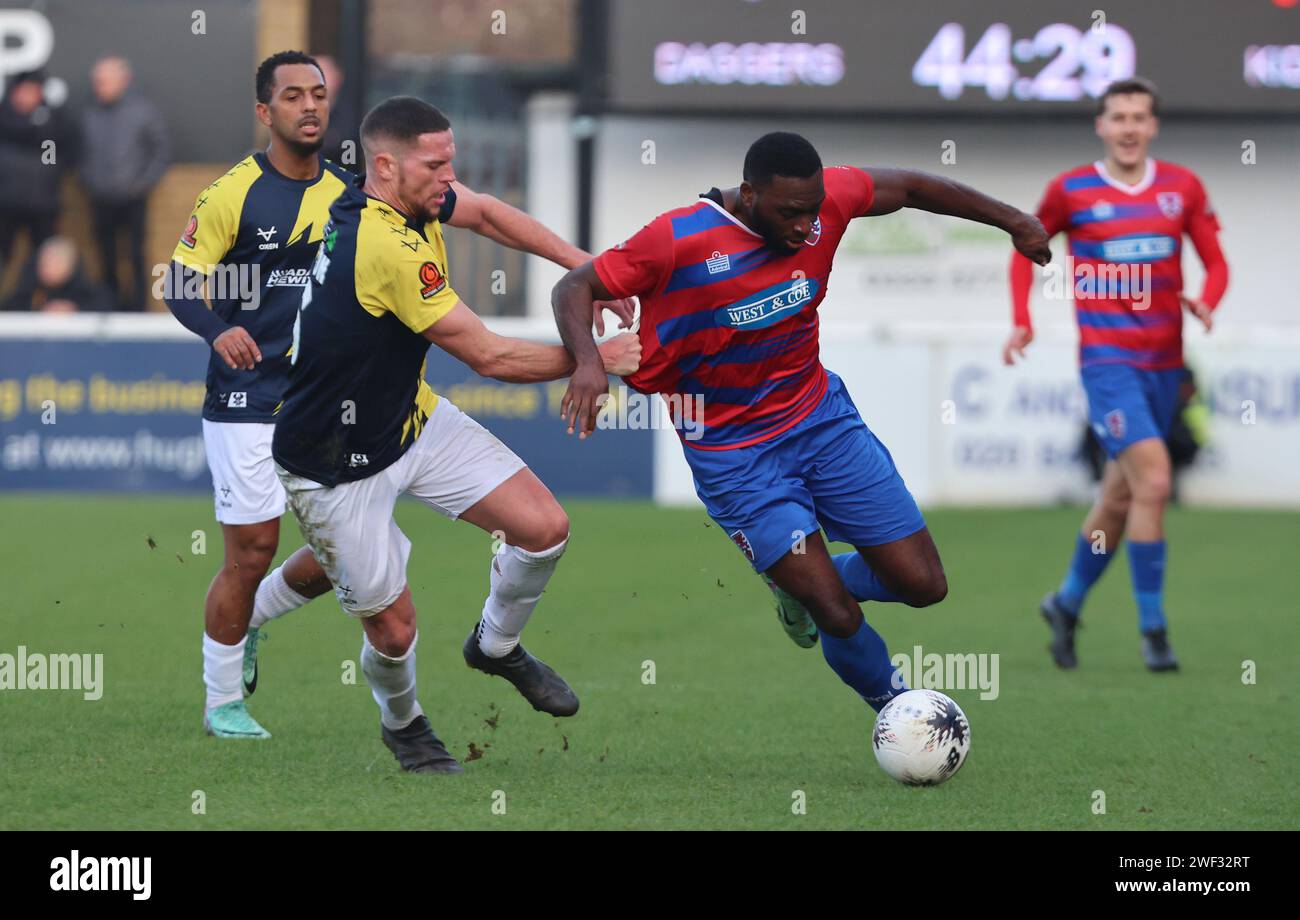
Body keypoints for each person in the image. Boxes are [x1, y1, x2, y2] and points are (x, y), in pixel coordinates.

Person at [164, 52, 632, 741]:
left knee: (340, 561)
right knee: (254, 553)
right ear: (265, 113)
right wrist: (217, 329)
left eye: (319, 93)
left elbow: (492, 215)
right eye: (293, 96)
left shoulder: (361, 187)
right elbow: (178, 281)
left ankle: (266, 617)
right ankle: (224, 700)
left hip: (371, 412)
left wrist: (589, 270)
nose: (310, 106)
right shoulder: (235, 193)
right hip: (255, 397)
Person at [552, 132, 1049, 714]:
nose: (804, 227)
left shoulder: (825, 203)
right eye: (789, 212)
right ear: (748, 193)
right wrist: (589, 362)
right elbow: (575, 285)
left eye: (813, 211)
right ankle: (900, 713)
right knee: (835, 611)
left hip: (821, 422)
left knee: (923, 586)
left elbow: (913, 185)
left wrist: (1013, 220)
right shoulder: (677, 238)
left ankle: (794, 580)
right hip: (733, 453)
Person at [271, 95, 639, 773]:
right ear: (385, 166)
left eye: (451, 162)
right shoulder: (384, 244)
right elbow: (490, 357)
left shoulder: (413, 197)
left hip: (409, 418)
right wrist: (597, 357)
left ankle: (495, 646)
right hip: (332, 460)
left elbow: (492, 214)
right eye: (436, 164)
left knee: (544, 528)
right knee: (394, 627)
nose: (450, 178)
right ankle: (403, 724)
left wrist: (589, 270)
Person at [1003, 78, 1228, 672]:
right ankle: (1154, 632)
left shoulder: (1182, 188)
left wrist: (1209, 298)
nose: (1129, 126)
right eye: (1118, 116)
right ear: (1100, 126)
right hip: (1107, 364)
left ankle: (1067, 602)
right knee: (1154, 482)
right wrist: (1022, 320)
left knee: (1120, 494)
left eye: (1139, 117)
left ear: (1152, 126)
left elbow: (1216, 260)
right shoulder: (1072, 190)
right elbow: (1024, 246)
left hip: (1164, 368)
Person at [80, 56, 170, 311]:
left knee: (135, 254)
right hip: (100, 197)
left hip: (133, 198)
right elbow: (81, 152)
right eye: (97, 82)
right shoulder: (89, 113)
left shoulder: (143, 112)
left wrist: (142, 184)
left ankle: (138, 308)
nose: (100, 87)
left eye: (105, 81)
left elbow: (160, 152)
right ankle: (109, 304)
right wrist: (90, 180)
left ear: (124, 81)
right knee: (105, 253)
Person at [0, 71, 71, 284]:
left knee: (42, 259)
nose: (25, 97)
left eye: (31, 91)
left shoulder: (51, 122)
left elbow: (50, 160)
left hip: (41, 205)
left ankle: (37, 303)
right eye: (21, 91)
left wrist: (41, 129)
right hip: (5, 204)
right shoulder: (3, 118)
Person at [1, 236, 113, 313]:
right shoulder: (29, 288)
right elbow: (10, 309)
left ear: (70, 265)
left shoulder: (87, 290)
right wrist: (39, 310)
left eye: (56, 262)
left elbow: (108, 307)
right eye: (44, 262)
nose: (47, 267)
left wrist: (75, 310)